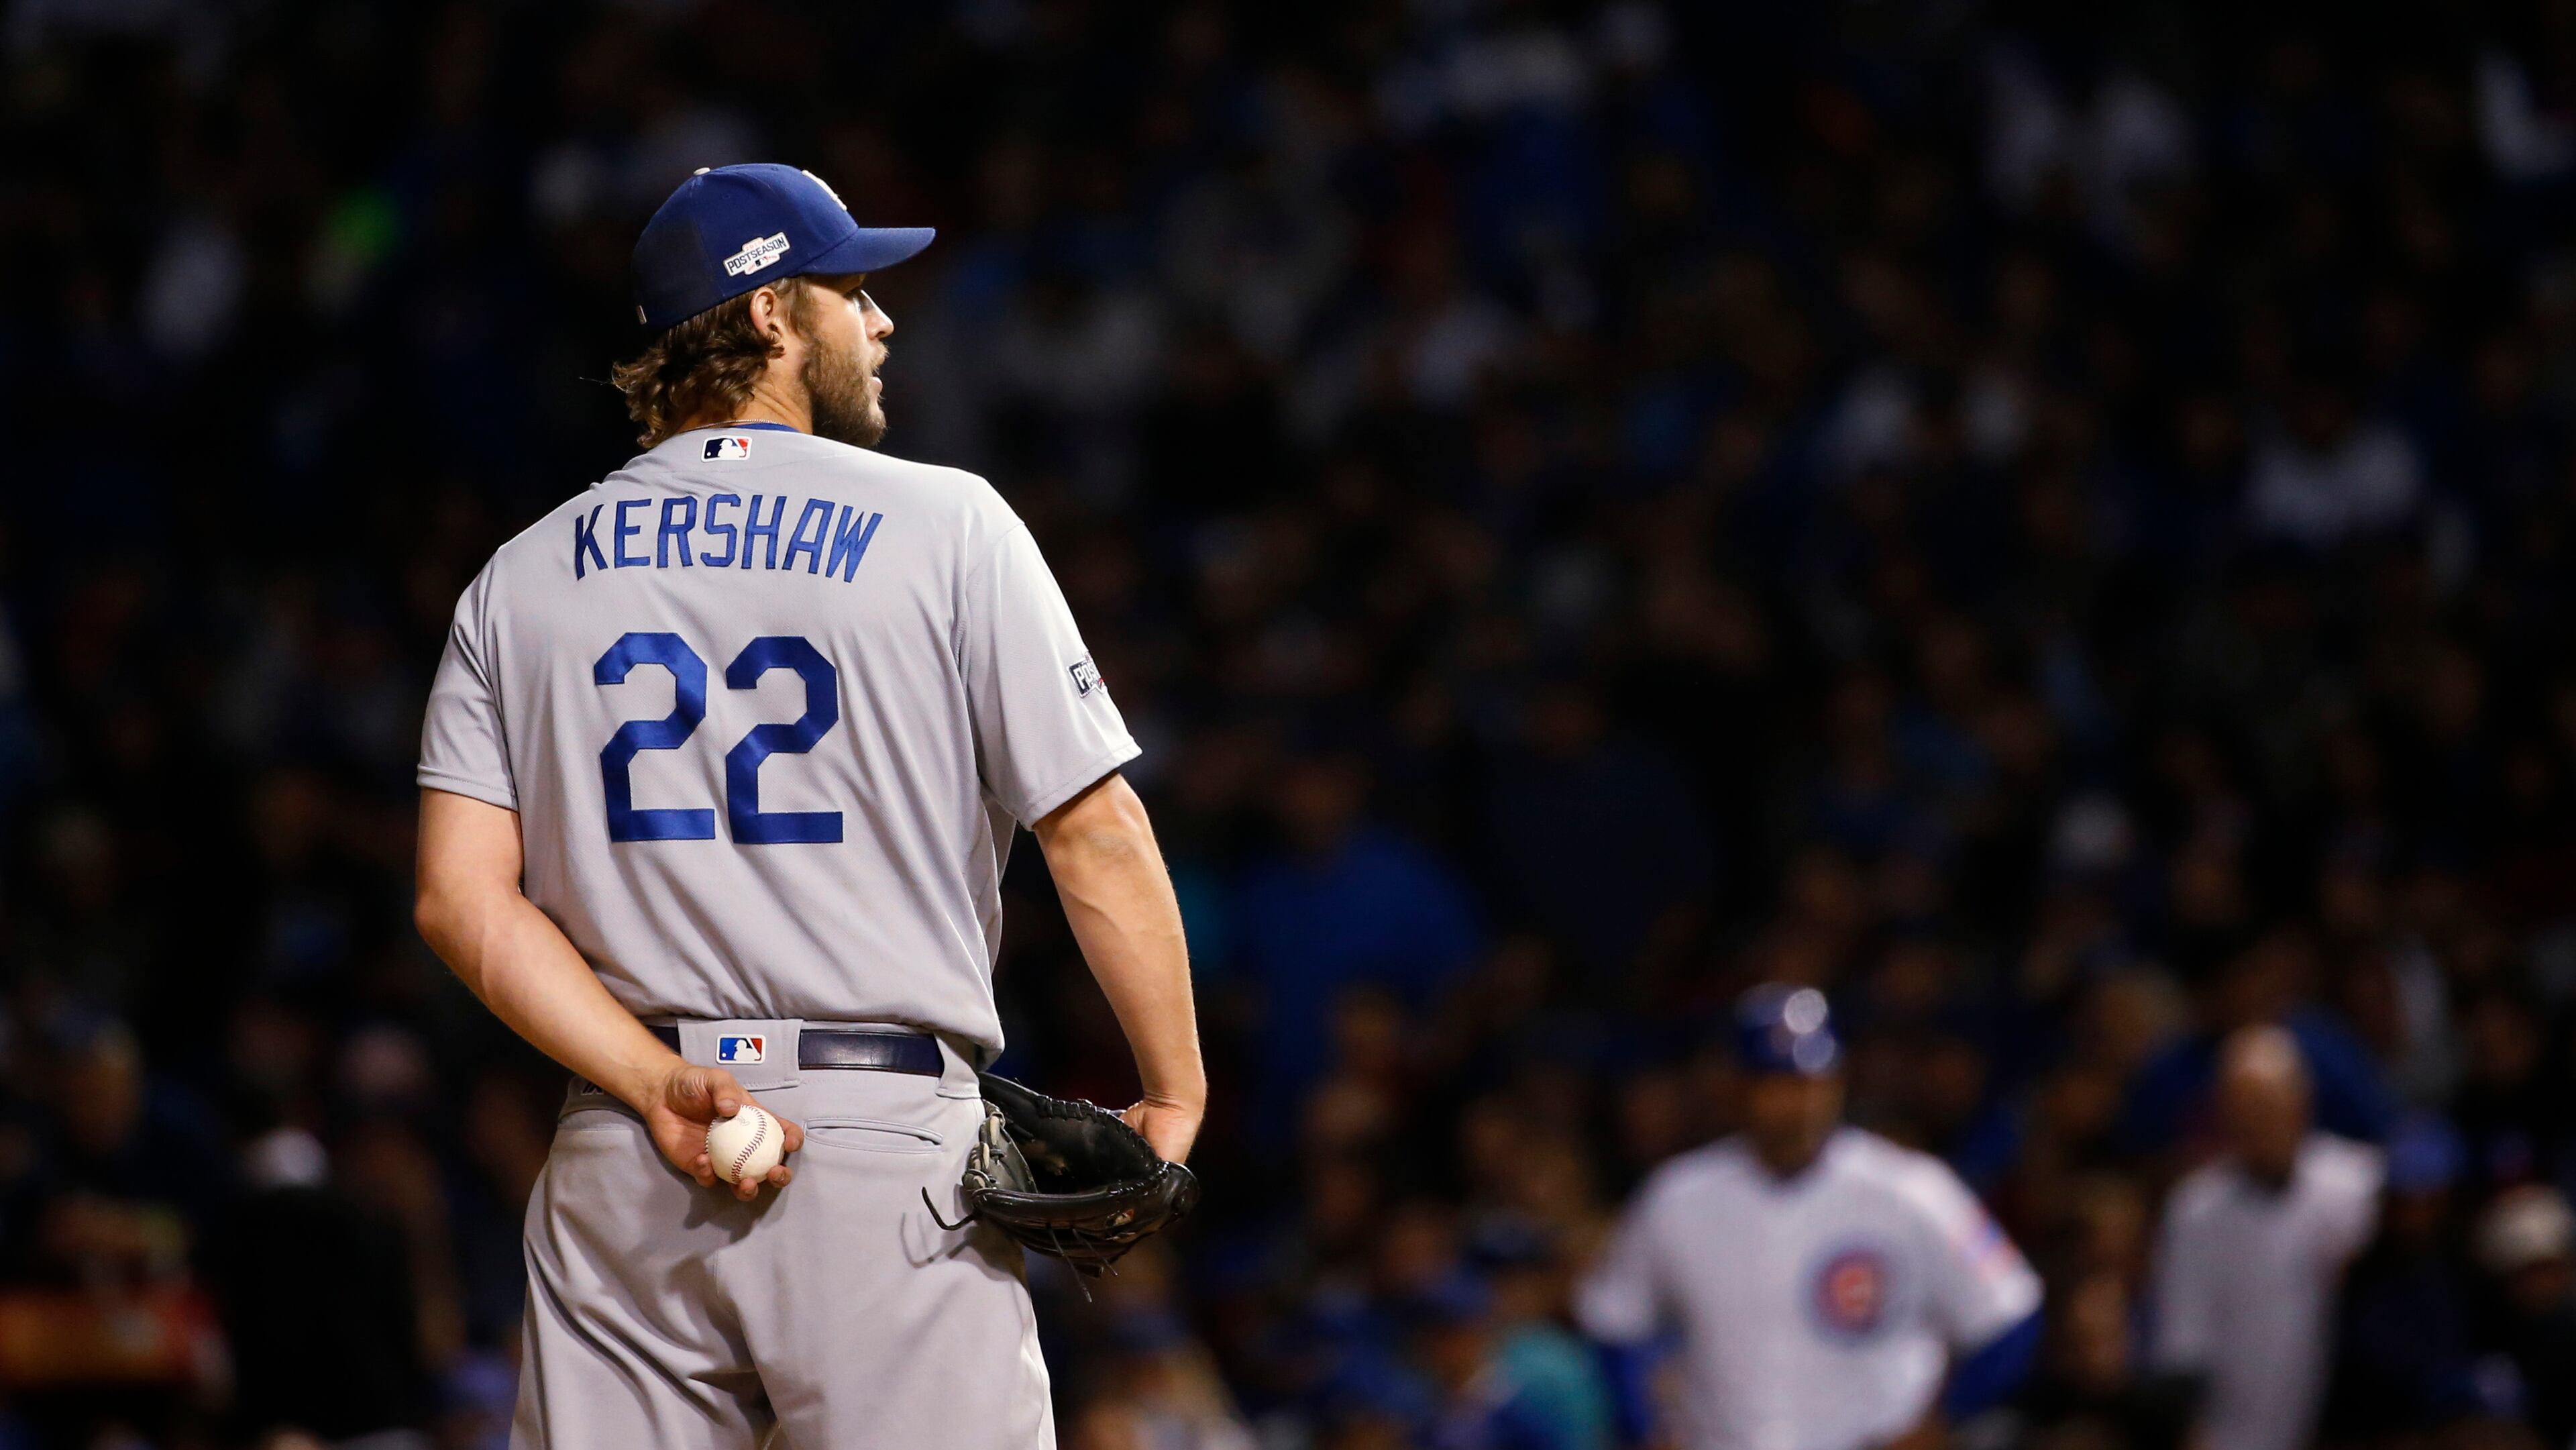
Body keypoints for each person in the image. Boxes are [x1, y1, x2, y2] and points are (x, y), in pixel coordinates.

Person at [411, 162, 1204, 1449]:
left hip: (628, 1157)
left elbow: (460, 903)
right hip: (879, 1148)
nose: (881, 320)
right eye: (851, 288)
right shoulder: (950, 525)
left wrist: (654, 1082)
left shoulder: (518, 578)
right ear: (770, 311)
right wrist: (1171, 1091)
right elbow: (1096, 832)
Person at [1575, 985, 2043, 1450]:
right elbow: (1614, 1321)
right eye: (1775, 1084)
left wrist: (1939, 1423)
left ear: (1838, 1082)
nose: (1796, 1105)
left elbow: (2012, 1314)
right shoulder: (1677, 1197)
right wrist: (1643, 1428)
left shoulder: (1912, 1190)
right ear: (1736, 1088)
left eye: (1810, 1082)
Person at [2148, 1026, 2382, 1450]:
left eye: (2270, 1106)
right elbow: (2183, 1347)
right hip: (2234, 1436)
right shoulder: (2195, 1212)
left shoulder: (2359, 1186)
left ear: (2302, 1102)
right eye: (2245, 1110)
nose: (2259, 1125)